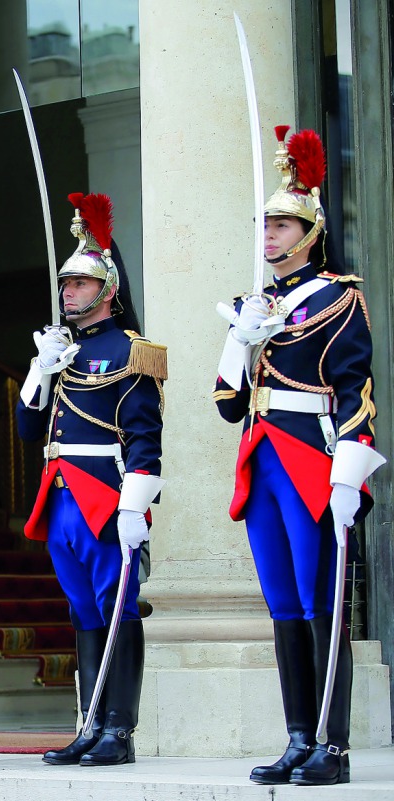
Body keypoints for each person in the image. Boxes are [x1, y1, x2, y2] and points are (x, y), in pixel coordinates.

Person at [214, 126, 384, 787]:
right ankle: (297, 737)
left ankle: (332, 746)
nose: (269, 234)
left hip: (313, 459)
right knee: (283, 602)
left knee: (322, 603)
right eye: (265, 224)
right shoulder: (255, 306)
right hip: (262, 459)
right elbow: (228, 403)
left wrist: (350, 468)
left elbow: (356, 389)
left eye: (282, 224)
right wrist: (241, 340)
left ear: (310, 232)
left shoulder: (339, 297)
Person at [16, 193, 166, 767]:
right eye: (66, 284)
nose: (68, 292)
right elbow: (28, 428)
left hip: (104, 494)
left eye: (79, 283)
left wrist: (135, 505)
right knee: (83, 610)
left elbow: (145, 437)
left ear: (107, 290)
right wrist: (40, 368)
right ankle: (90, 723)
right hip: (59, 494)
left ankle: (119, 731)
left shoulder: (131, 350)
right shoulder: (60, 350)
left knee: (117, 606)